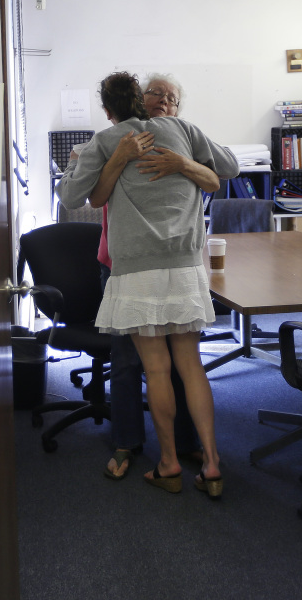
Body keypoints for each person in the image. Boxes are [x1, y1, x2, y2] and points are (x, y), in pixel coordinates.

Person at [57, 72, 239, 498]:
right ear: (141, 99)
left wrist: (181, 163)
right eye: (157, 94)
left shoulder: (105, 139)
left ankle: (170, 461)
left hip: (137, 270)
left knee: (156, 370)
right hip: (183, 267)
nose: (164, 101)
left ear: (108, 109)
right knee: (190, 366)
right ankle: (211, 465)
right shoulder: (183, 131)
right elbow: (228, 167)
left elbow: (71, 198)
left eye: (171, 98)